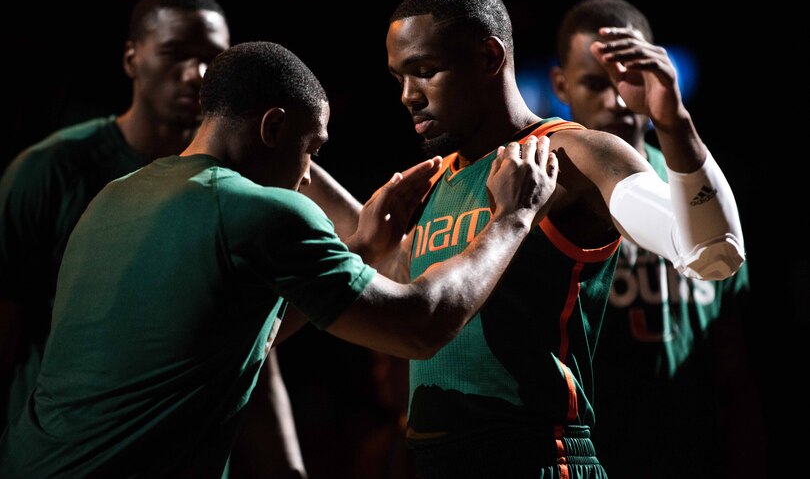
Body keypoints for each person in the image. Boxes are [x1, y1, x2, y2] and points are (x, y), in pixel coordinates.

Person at [0, 40, 560, 477]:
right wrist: (512, 216)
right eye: (311, 149)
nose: (307, 176)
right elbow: (421, 325)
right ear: (272, 128)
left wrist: (364, 247)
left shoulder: (112, 198)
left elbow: (236, 340)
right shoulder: (262, 211)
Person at [382, 0, 745, 478]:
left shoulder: (570, 155)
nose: (408, 96)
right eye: (399, 78)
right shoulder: (428, 183)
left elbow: (710, 250)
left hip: (540, 456)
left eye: (425, 72)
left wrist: (674, 122)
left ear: (489, 57)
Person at [0, 0, 305, 478]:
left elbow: (249, 336)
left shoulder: (240, 180)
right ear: (131, 58)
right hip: (73, 454)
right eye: (175, 54)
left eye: (212, 59)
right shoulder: (52, 171)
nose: (196, 74)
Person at [550, 0, 765, 479]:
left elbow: (733, 347)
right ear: (560, 84)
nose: (617, 100)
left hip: (696, 450)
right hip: (593, 455)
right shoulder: (550, 192)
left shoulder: (699, 188)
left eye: (630, 81)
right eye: (595, 83)